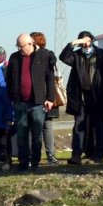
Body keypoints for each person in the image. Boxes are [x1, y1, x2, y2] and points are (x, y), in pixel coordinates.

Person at [59, 30, 103, 164]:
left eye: (88, 40)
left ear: (92, 40)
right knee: (78, 126)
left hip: (98, 96)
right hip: (81, 97)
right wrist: (74, 43)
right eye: (83, 41)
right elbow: (63, 57)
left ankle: (98, 155)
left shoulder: (102, 55)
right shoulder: (76, 56)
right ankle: (76, 155)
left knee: (99, 126)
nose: (86, 44)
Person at [5, 33, 55, 171]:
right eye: (18, 46)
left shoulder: (42, 56)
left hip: (37, 103)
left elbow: (50, 78)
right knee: (21, 135)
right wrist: (12, 97)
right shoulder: (14, 58)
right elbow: (9, 79)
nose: (20, 49)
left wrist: (50, 98)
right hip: (20, 102)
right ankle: (23, 163)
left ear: (31, 44)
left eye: (22, 46)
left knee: (37, 135)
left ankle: (35, 163)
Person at [31, 32, 60, 165]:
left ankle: (51, 155)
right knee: (34, 128)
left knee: (47, 126)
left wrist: (50, 97)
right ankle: (35, 155)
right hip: (34, 98)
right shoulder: (27, 57)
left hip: (47, 96)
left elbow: (53, 63)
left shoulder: (47, 54)